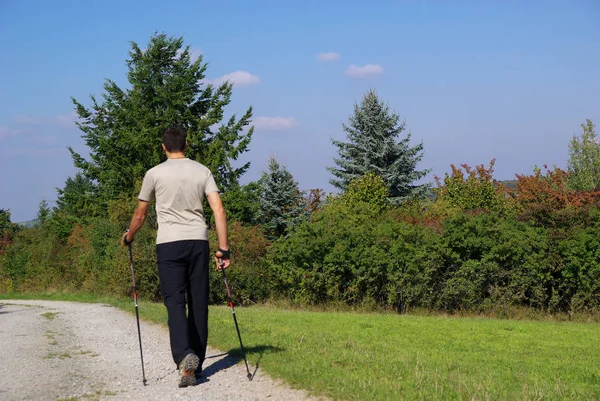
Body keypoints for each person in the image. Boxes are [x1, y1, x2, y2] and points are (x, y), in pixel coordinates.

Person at [121, 125, 231, 388]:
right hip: (198, 242)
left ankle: (184, 357)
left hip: (169, 244)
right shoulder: (202, 171)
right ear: (187, 145)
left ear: (163, 147)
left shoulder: (154, 174)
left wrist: (130, 236)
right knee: (198, 301)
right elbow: (218, 210)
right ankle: (197, 363)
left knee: (174, 302)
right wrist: (223, 249)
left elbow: (140, 215)